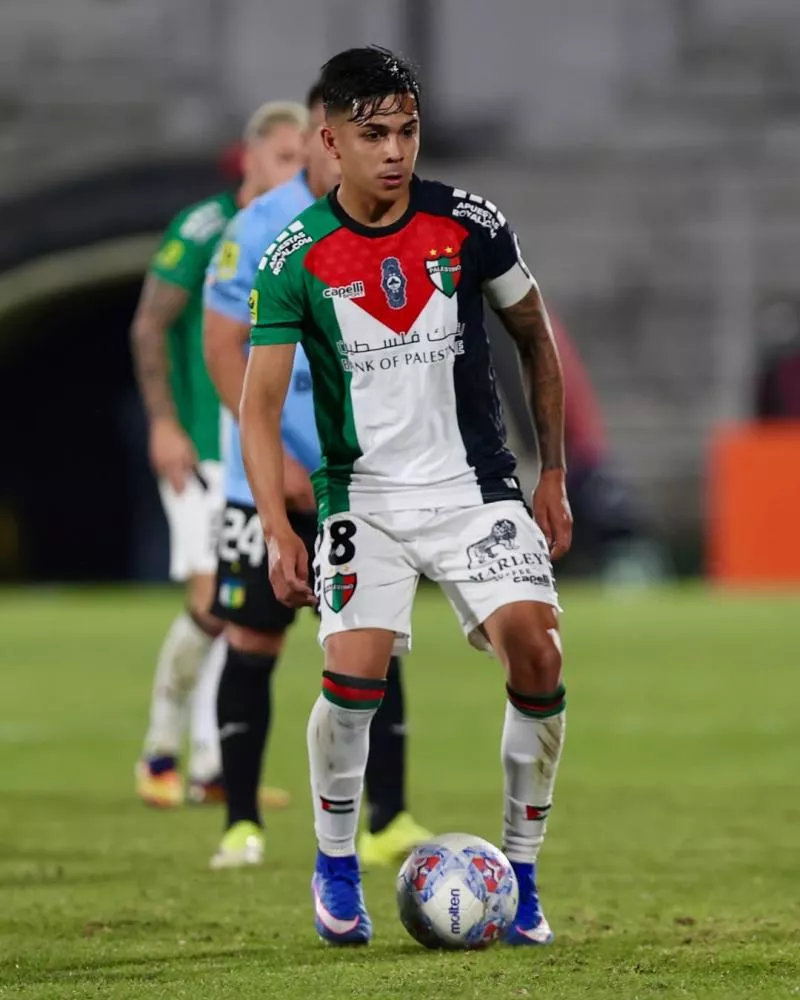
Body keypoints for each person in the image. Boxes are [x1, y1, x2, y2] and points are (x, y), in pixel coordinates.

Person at [241, 47, 573, 946]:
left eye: (407, 131)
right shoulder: (295, 255)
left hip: (475, 491)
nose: (395, 151)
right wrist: (278, 528)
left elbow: (536, 338)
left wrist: (552, 474)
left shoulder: (469, 223)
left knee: (539, 660)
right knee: (353, 678)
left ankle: (524, 875)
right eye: (373, 134)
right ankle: (337, 864)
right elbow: (259, 406)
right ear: (331, 141)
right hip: (364, 501)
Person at [202, 81, 431, 869]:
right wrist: (280, 457)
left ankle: (389, 819)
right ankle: (240, 821)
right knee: (254, 636)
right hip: (266, 477)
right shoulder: (256, 230)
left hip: (354, 476)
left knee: (374, 641)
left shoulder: (392, 223)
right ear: (320, 138)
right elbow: (221, 347)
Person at [130, 101, 307, 808]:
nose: (302, 171)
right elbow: (150, 326)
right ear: (253, 158)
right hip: (206, 447)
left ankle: (211, 768)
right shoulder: (210, 228)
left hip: (263, 453)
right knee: (213, 599)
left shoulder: (300, 233)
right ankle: (159, 750)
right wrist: (164, 423)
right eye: (288, 158)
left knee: (246, 614)